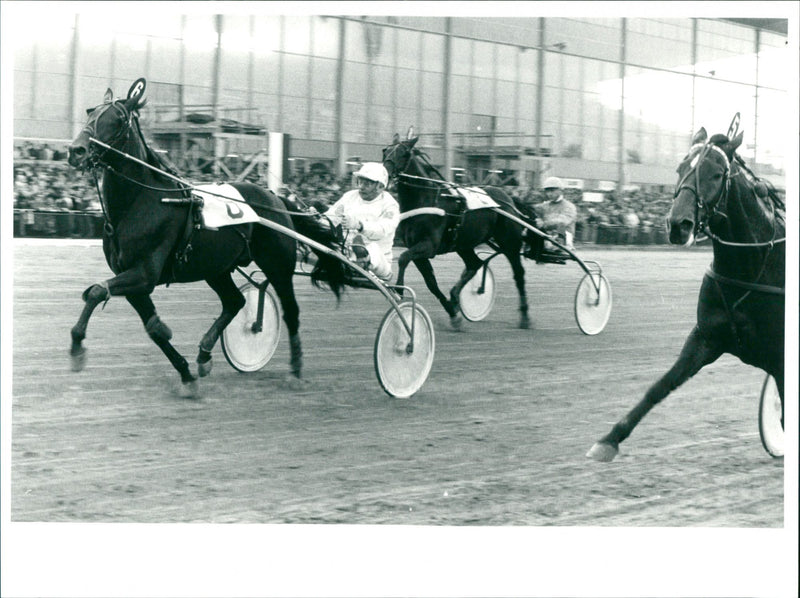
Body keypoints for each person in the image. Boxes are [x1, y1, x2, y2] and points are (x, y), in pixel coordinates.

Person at [324, 162, 399, 281]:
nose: (361, 187)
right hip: (345, 250)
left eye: (367, 183)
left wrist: (359, 225)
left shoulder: (390, 205)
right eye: (360, 182)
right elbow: (332, 215)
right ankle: (352, 261)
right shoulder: (350, 196)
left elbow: (382, 230)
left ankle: (361, 260)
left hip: (379, 260)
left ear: (380, 186)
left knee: (372, 248)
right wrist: (316, 217)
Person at [525, 176, 578, 259]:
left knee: (560, 227)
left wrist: (544, 223)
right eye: (547, 191)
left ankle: (555, 247)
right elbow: (533, 210)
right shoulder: (544, 205)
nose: (549, 194)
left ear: (560, 190)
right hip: (548, 235)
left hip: (563, 237)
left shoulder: (569, 206)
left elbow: (563, 221)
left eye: (552, 191)